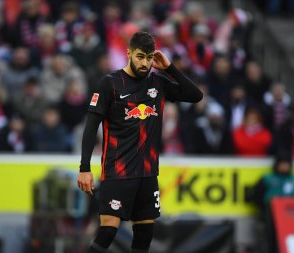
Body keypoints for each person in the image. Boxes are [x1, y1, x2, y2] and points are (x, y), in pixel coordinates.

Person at [77, 31, 203, 253]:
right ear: (129, 54)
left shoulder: (158, 83)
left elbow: (195, 95)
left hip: (147, 174)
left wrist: (170, 68)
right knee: (107, 232)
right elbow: (91, 127)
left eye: (148, 57)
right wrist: (84, 168)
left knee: (144, 237)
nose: (145, 63)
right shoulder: (111, 83)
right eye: (140, 57)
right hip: (117, 172)